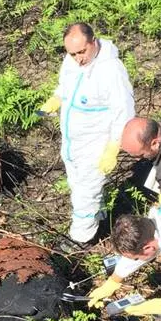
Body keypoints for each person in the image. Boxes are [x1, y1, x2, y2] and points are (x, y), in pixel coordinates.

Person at [38, 22, 135, 248]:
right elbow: (65, 85)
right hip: (73, 143)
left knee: (86, 194)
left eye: (82, 51)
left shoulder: (111, 72)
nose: (78, 58)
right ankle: (98, 220)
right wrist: (55, 100)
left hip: (96, 146)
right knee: (77, 185)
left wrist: (113, 148)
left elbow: (123, 113)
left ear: (93, 41)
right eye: (72, 53)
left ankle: (80, 240)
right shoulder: (71, 61)